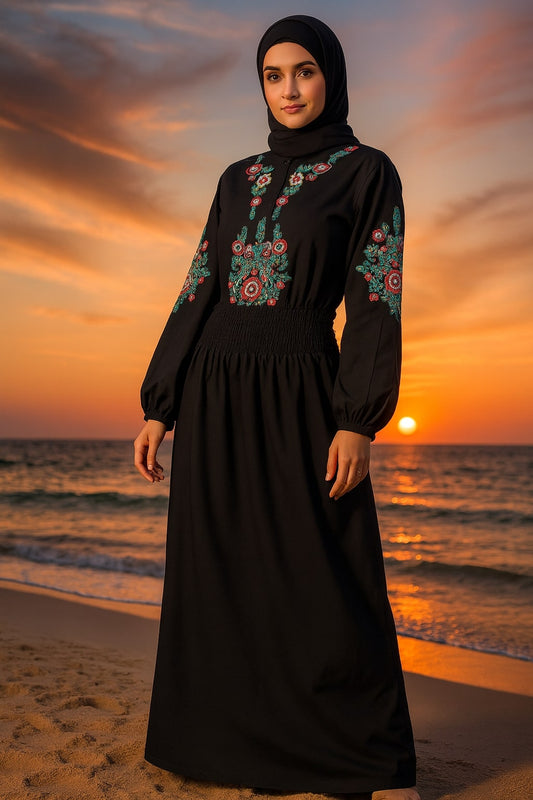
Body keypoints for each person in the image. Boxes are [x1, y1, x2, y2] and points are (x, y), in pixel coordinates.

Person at [134, 14, 420, 800]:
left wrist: (357, 419)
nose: (288, 89)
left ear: (330, 75)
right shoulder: (236, 178)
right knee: (224, 568)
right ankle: (229, 744)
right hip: (214, 388)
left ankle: (367, 758)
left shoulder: (366, 171)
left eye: (303, 71)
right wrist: (161, 403)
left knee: (325, 568)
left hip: (301, 386)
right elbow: (199, 286)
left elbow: (375, 299)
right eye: (272, 75)